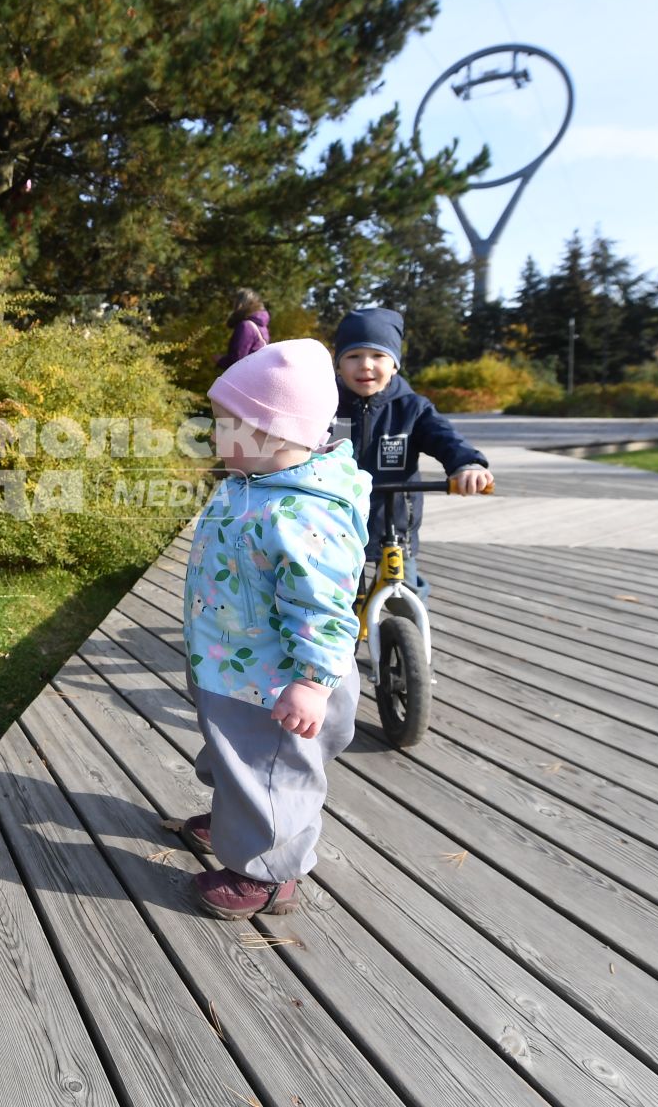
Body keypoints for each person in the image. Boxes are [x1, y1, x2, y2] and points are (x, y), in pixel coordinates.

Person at [180, 339, 368, 917]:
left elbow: (326, 610)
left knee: (273, 771)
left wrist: (312, 682)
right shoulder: (252, 480)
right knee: (239, 759)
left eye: (225, 425)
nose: (213, 437)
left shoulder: (307, 512)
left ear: (274, 433)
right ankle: (241, 818)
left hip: (278, 682)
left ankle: (269, 873)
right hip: (232, 660)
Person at [332, 307, 492, 600]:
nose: (365, 365)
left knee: (406, 595)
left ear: (394, 365)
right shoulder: (325, 407)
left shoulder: (412, 408)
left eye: (378, 356)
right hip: (335, 523)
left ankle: (412, 639)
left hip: (392, 524)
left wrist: (467, 464)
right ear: (338, 365)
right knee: (337, 603)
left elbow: (444, 436)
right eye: (353, 356)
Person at [213, 287, 270, 370]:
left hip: (245, 377)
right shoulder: (261, 325)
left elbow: (237, 361)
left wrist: (220, 360)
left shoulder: (246, 326)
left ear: (241, 303)